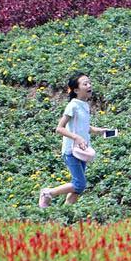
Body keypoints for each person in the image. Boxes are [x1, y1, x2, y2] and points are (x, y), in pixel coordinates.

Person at [38, 73, 113, 207]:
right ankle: (48, 193)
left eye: (89, 83)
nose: (89, 85)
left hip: (82, 150)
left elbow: (83, 127)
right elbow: (59, 128)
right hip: (71, 151)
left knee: (77, 188)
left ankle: (66, 212)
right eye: (85, 84)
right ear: (76, 90)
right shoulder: (72, 106)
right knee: (79, 184)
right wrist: (77, 137)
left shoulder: (84, 105)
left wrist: (99, 131)